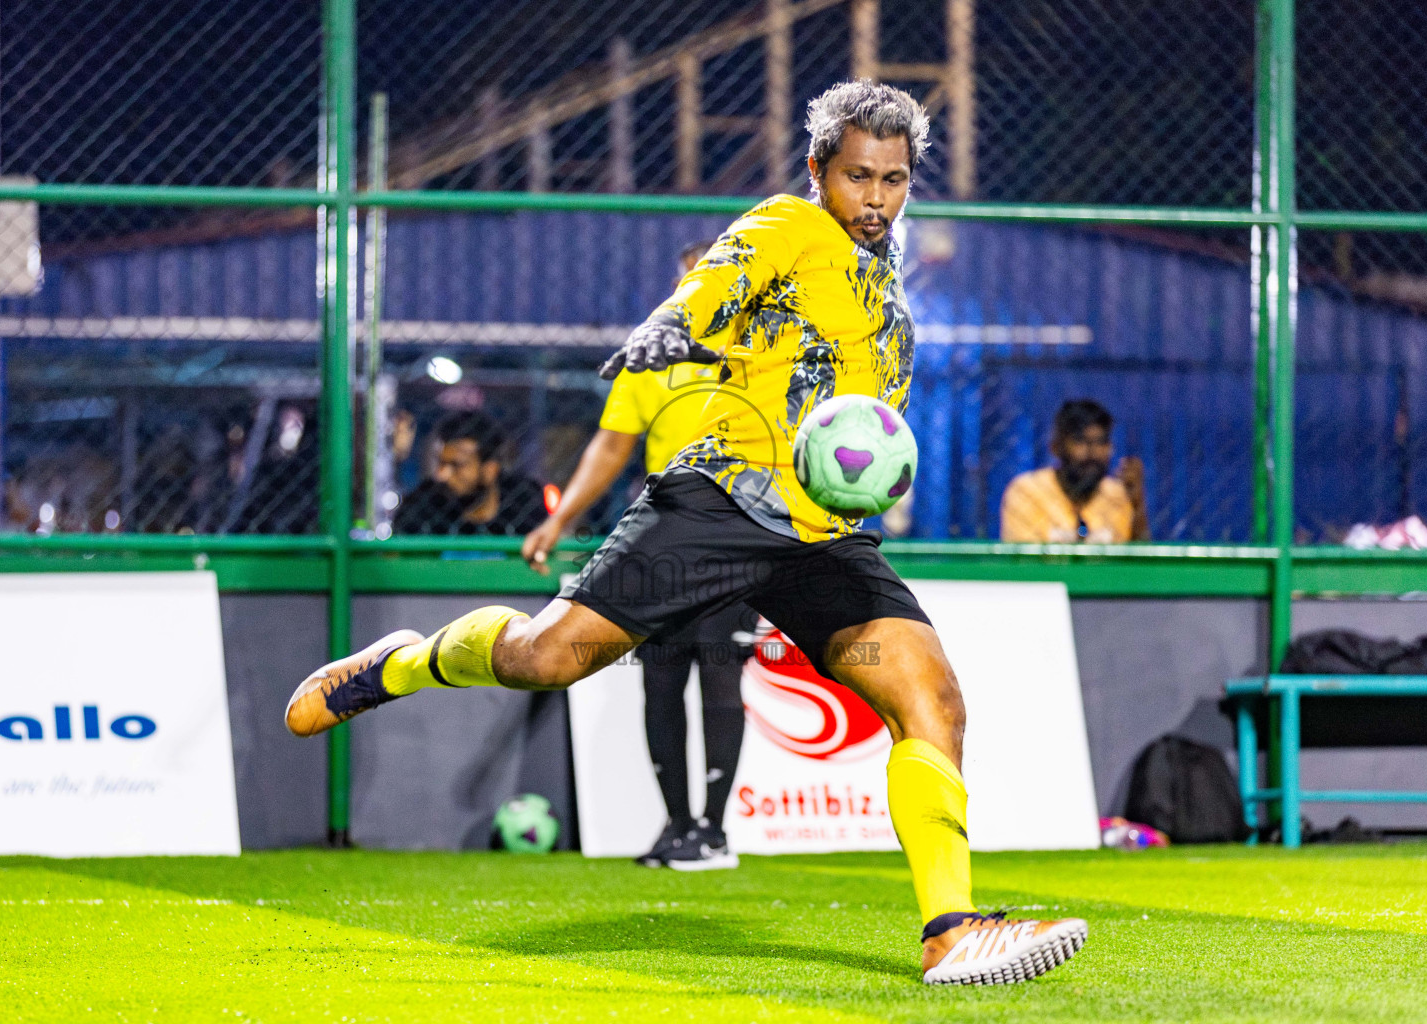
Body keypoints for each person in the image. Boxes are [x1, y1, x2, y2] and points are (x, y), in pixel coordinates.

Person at [285, 79, 1087, 986]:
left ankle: (950, 930)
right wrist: (668, 329)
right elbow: (716, 279)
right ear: (819, 169)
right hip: (717, 506)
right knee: (546, 658)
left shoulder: (884, 263)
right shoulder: (788, 224)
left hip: (824, 534)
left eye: (894, 179)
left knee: (932, 703)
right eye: (858, 176)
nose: (874, 197)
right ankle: (405, 661)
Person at [522, 240, 753, 871]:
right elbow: (610, 445)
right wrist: (558, 521)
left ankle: (714, 829)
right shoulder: (652, 357)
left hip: (742, 532)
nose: (697, 298)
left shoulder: (763, 352)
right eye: (689, 285)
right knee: (660, 678)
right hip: (670, 535)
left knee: (721, 674)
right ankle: (677, 825)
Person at [1000, 398, 1149, 543]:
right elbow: (1024, 564)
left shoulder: (1117, 495)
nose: (1093, 453)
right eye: (1080, 441)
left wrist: (1137, 504)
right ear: (1056, 447)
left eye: (1101, 442)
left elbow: (1140, 563)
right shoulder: (1027, 492)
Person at [392, 411, 546, 536]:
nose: (442, 475)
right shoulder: (422, 507)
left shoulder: (525, 502)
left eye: (456, 465)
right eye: (441, 463)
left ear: (490, 470)